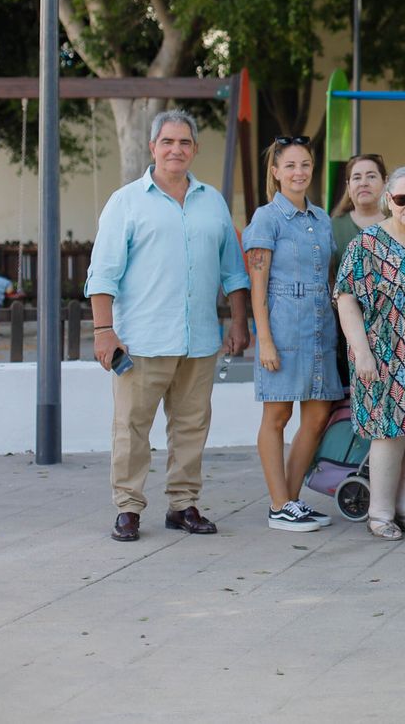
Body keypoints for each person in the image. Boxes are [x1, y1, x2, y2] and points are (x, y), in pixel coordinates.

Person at [86, 109, 250, 542]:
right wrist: (104, 331)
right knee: (131, 428)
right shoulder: (125, 201)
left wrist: (239, 322)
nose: (176, 149)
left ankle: (183, 505)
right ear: (153, 148)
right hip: (141, 341)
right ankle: (128, 508)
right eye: (167, 142)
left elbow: (233, 271)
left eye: (184, 142)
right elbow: (102, 274)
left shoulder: (213, 202)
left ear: (195, 149)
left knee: (192, 427)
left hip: (200, 340)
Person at [333, 166, 405, 540]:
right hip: (383, 351)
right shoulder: (367, 243)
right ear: (388, 200)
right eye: (401, 198)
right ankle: (380, 514)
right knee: (389, 431)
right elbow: (345, 298)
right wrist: (361, 352)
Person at [244, 135, 342, 532]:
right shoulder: (266, 219)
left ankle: (291, 500)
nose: (298, 172)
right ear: (275, 172)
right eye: (290, 166)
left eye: (305, 165)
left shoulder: (321, 218)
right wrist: (264, 339)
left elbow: (329, 277)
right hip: (284, 327)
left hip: (321, 327)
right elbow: (258, 286)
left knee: (317, 416)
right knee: (278, 414)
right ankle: (278, 503)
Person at [328, 154, 387, 388]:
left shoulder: (400, 223)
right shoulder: (333, 227)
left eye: (371, 176)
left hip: (394, 331)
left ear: (385, 181)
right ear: (348, 186)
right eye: (356, 177)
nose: (363, 183)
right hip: (346, 333)